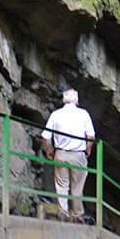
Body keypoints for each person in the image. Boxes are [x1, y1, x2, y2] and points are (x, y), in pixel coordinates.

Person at [40, 87, 95, 221]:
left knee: (62, 185)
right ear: (77, 100)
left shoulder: (56, 114)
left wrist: (50, 151)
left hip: (61, 154)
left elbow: (45, 136)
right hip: (78, 154)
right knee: (77, 186)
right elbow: (91, 136)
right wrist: (88, 149)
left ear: (64, 100)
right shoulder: (84, 114)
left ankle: (63, 212)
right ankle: (77, 214)